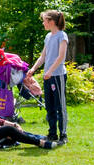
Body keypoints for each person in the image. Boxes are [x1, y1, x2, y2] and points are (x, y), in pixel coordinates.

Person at [0, 74, 55, 149]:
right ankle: (40, 143)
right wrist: (4, 131)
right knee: (10, 131)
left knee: (14, 133)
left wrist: (15, 124)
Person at [29, 9, 70, 145]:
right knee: (50, 106)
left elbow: (61, 57)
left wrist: (51, 71)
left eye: (44, 21)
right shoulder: (48, 37)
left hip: (57, 76)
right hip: (48, 76)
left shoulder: (62, 36)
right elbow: (43, 56)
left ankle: (63, 135)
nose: (43, 23)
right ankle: (52, 134)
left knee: (60, 106)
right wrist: (33, 69)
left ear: (51, 22)